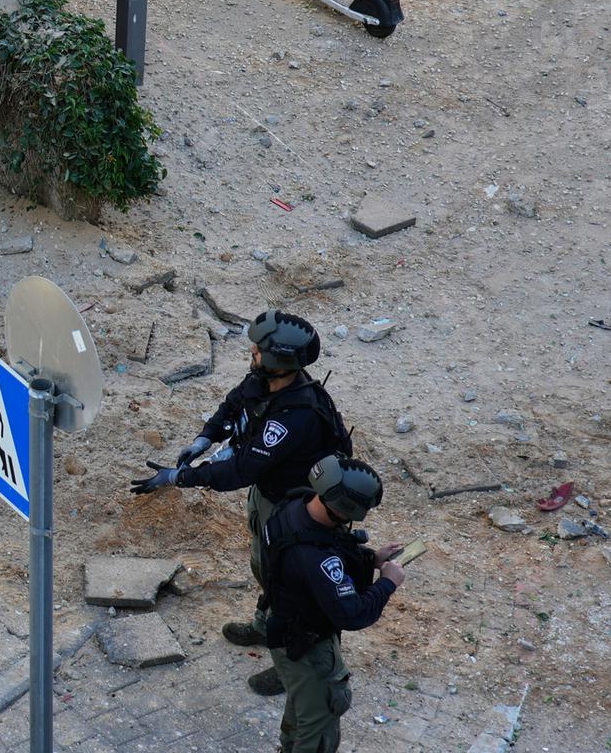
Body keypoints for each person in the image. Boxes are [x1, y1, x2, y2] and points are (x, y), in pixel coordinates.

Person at [128, 309, 351, 694]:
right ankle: (267, 627)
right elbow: (235, 404)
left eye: (259, 349)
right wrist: (204, 438)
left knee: (301, 590)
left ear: (280, 361)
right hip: (274, 496)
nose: (252, 351)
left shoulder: (294, 417)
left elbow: (239, 471)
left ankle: (295, 665)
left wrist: (179, 477)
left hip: (304, 513)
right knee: (267, 569)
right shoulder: (269, 382)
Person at [259, 455, 406, 753]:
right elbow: (352, 613)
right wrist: (388, 582)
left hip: (284, 625)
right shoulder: (318, 556)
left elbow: (319, 564)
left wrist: (370, 559)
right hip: (308, 645)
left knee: (302, 709)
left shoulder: (292, 506)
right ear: (347, 509)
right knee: (319, 723)